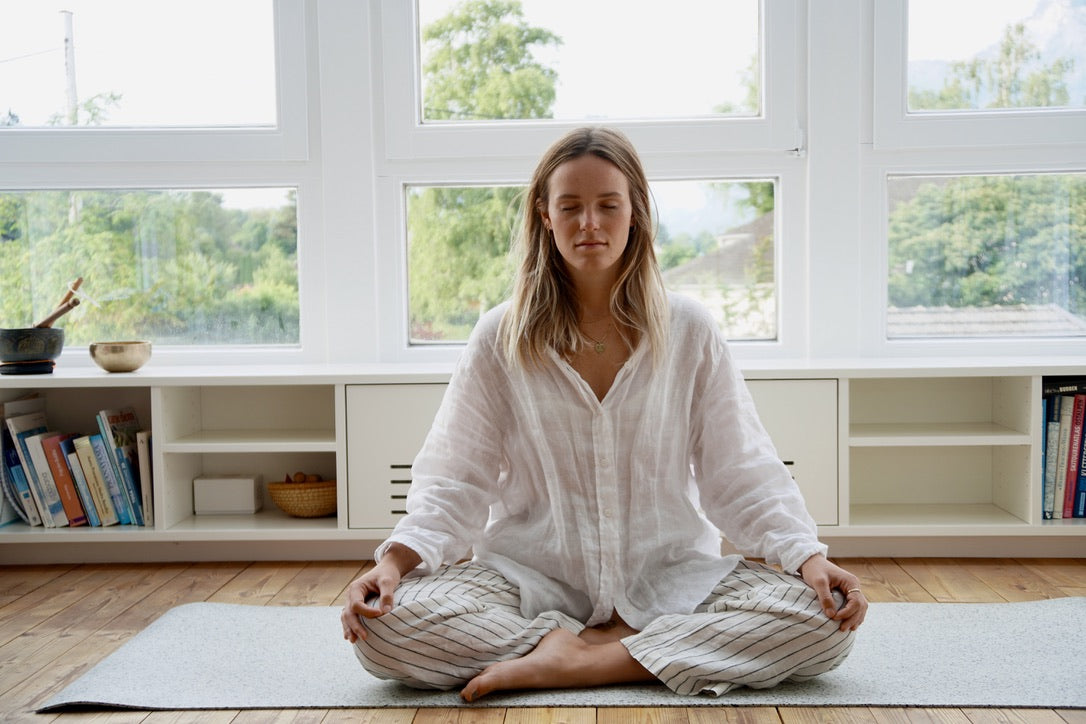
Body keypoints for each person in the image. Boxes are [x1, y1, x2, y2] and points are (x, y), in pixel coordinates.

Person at [341, 126, 867, 701]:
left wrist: (809, 559)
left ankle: (579, 662)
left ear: (635, 212)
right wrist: (391, 566)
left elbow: (741, 469)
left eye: (607, 206)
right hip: (527, 580)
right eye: (570, 206)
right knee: (380, 630)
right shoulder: (500, 335)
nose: (589, 223)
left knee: (825, 624)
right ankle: (624, 651)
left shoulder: (689, 329)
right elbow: (455, 477)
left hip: (669, 578)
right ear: (545, 216)